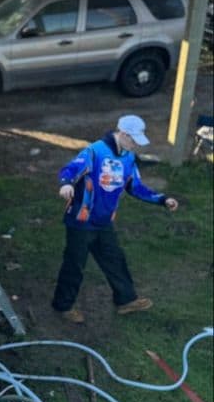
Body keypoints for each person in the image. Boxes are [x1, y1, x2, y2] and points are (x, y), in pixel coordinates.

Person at [51, 115, 178, 324]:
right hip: (81, 221)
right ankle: (63, 306)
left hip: (104, 222)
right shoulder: (95, 151)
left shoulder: (128, 158)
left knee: (115, 260)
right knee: (74, 265)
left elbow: (135, 186)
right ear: (123, 134)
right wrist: (66, 184)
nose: (136, 145)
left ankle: (126, 300)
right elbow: (71, 169)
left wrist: (162, 199)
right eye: (134, 140)